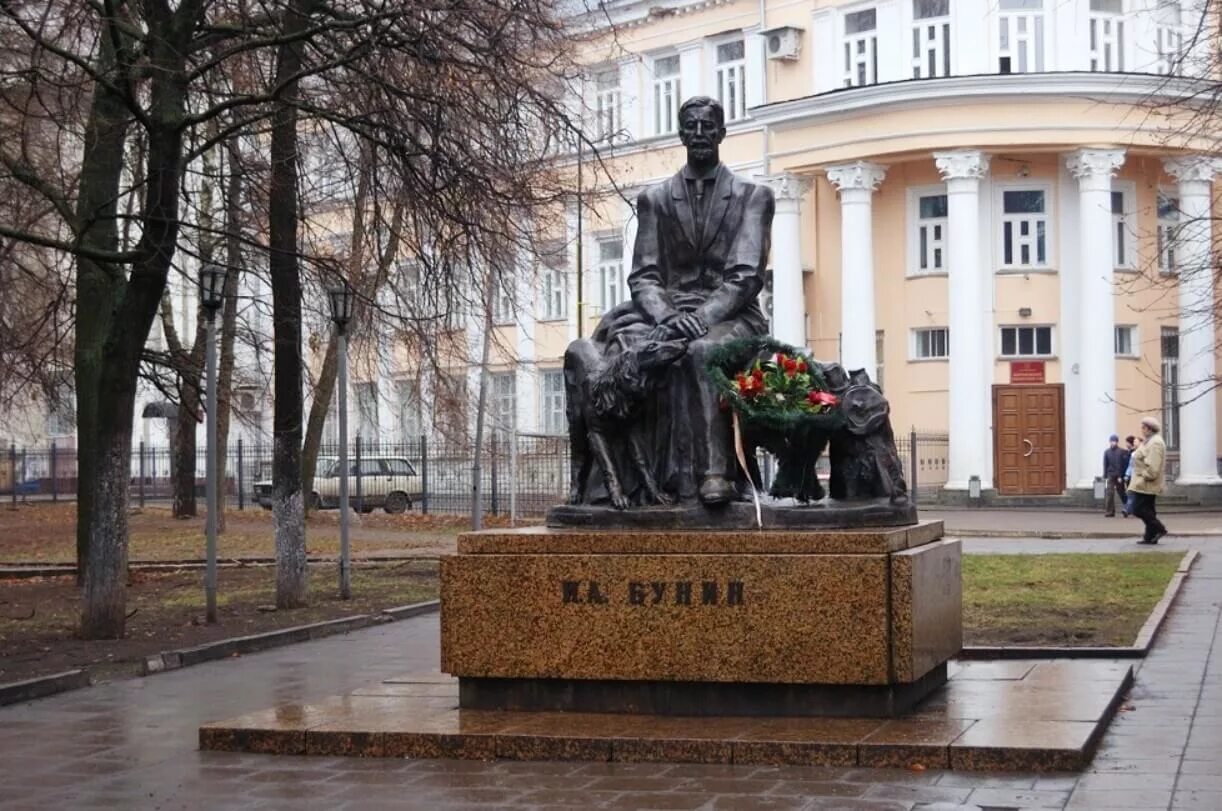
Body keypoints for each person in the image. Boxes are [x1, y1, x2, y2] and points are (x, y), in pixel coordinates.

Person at [626, 95, 775, 505]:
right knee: (621, 351)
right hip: (669, 312)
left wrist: (702, 317)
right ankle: (632, 483)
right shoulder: (654, 201)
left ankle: (715, 473)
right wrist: (668, 315)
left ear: (722, 133)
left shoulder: (752, 196)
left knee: (701, 351)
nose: (699, 134)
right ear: (680, 134)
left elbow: (746, 275)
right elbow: (644, 275)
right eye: (691, 126)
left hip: (734, 314)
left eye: (708, 126)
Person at [1129, 417, 1168, 544]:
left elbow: (1153, 466)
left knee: (1137, 509)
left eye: (1143, 427)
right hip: (1145, 483)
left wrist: (1144, 476)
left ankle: (1159, 529)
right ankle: (1149, 536)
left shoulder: (1155, 443)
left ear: (1149, 429)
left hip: (1147, 483)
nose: (1141, 430)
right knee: (1149, 510)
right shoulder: (1148, 441)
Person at [1102, 433, 1129, 517]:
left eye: (1114, 441)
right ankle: (1109, 511)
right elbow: (1105, 464)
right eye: (1111, 441)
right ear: (1110, 442)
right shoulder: (1107, 452)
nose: (1113, 443)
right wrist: (1105, 475)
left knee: (1121, 493)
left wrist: (1122, 476)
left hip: (1119, 475)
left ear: (1117, 442)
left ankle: (1129, 508)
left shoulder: (1122, 451)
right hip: (1110, 474)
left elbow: (1124, 464)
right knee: (1109, 493)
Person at [1121, 435, 1138, 517]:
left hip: (1139, 477)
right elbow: (1130, 466)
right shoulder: (1133, 454)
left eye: (1136, 442)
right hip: (1132, 476)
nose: (1134, 444)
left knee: (1133, 495)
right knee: (1131, 494)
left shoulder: (1142, 453)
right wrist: (1127, 475)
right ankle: (1128, 510)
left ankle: (1128, 509)